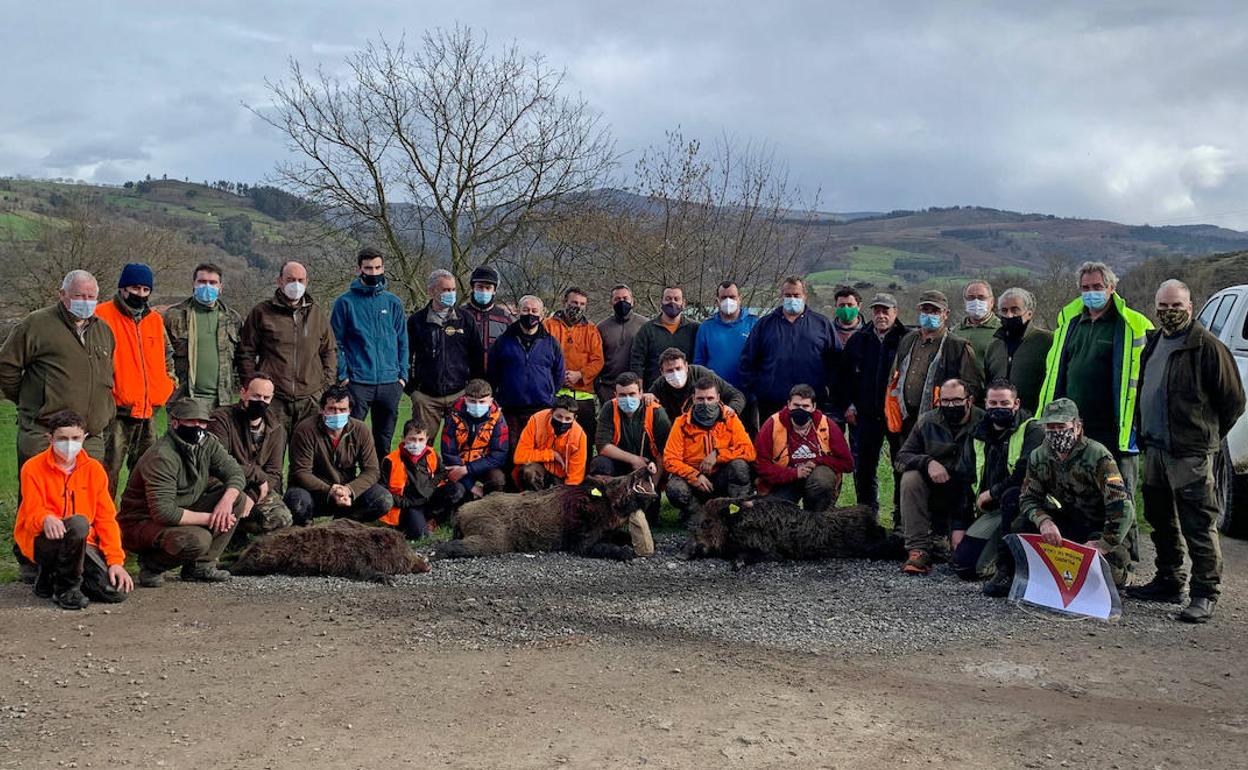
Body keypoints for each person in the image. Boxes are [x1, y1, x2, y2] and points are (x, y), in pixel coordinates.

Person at [1128, 279, 1246, 623]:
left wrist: (1207, 435)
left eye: (1176, 306)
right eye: (1163, 306)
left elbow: (1234, 401)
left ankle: (1205, 592)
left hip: (1190, 452)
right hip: (1155, 448)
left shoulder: (1207, 347)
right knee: (1159, 517)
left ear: (1190, 307)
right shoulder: (1154, 343)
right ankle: (1169, 579)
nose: (1168, 312)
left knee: (1198, 522)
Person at [1038, 261, 1152, 502]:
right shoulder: (1068, 324)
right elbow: (1055, 374)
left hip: (1115, 430)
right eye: (1085, 287)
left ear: (1111, 287)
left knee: (1118, 499)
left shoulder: (1133, 325)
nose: (1091, 292)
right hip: (1073, 429)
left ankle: (1123, 541)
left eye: (1097, 286)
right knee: (1078, 497)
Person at [117, 398, 246, 587]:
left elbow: (235, 472)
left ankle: (201, 566)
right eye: (191, 421)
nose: (198, 427)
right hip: (143, 521)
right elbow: (163, 512)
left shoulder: (208, 444)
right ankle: (152, 565)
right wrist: (213, 518)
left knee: (238, 499)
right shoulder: (162, 457)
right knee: (198, 540)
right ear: (175, 422)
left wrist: (226, 501)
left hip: (182, 507)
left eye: (202, 422)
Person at [14, 410, 132, 609]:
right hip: (44, 539)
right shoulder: (32, 468)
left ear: (84, 437)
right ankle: (66, 589)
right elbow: (31, 511)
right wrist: (45, 518)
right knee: (78, 523)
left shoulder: (94, 470)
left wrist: (115, 561)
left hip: (83, 542)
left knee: (115, 592)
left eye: (75, 438)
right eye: (62, 438)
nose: (69, 444)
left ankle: (49, 579)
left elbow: (106, 519)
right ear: (50, 438)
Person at [0, 269, 115, 472]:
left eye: (91, 297)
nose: (86, 301)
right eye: (79, 296)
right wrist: (30, 399)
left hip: (90, 436)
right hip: (45, 433)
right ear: (62, 294)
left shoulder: (103, 330)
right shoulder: (36, 324)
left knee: (84, 498)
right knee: (40, 495)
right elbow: (7, 365)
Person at [1018, 398, 1137, 588]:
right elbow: (1028, 498)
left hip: (1103, 527)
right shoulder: (1038, 456)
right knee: (1021, 523)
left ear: (1077, 426)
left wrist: (1103, 544)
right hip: (1072, 521)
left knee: (1105, 578)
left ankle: (1125, 573)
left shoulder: (1098, 455)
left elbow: (1122, 507)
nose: (1056, 432)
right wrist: (1044, 521)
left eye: (1061, 425)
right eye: (1050, 426)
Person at [953, 379, 1045, 595]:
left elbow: (1024, 473)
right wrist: (958, 526)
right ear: (985, 404)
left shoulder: (1032, 430)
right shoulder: (977, 433)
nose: (998, 408)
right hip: (991, 511)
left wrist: (992, 492)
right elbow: (963, 480)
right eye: (993, 404)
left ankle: (1008, 568)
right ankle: (994, 559)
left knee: (1011, 495)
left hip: (1025, 505)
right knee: (964, 567)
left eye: (1004, 403)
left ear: (1016, 404)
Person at [94, 262, 177, 496]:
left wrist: (168, 383)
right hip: (115, 413)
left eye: (145, 289)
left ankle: (134, 522)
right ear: (122, 288)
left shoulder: (155, 320)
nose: (140, 294)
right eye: (135, 288)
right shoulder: (101, 315)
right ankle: (105, 525)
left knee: (146, 472)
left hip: (149, 411)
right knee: (107, 472)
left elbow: (167, 354)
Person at [236, 261, 338, 442]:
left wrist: (325, 387)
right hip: (274, 401)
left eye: (300, 280)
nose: (295, 284)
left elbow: (329, 351)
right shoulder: (262, 312)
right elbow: (246, 352)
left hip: (310, 400)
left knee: (307, 458)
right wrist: (253, 387)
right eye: (290, 279)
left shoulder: (317, 314)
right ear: (279, 281)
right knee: (268, 455)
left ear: (307, 282)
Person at [895, 378, 982, 575]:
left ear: (970, 400)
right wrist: (927, 462)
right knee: (910, 478)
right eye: (946, 401)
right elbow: (901, 458)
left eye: (957, 400)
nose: (951, 406)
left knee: (966, 562)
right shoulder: (926, 421)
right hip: (937, 486)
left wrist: (960, 525)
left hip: (970, 491)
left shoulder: (983, 423)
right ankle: (918, 549)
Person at [332, 246, 409, 459]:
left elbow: (403, 341)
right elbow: (335, 343)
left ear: (383, 268)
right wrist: (344, 376)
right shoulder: (344, 303)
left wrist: (402, 376)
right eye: (368, 268)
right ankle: (349, 485)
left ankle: (381, 486)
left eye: (377, 267)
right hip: (358, 382)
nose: (373, 272)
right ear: (359, 269)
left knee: (384, 441)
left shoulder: (393, 303)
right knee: (351, 438)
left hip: (390, 383)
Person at [837, 293, 908, 520]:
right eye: (876, 311)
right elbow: (844, 377)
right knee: (864, 470)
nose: (880, 315)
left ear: (895, 312)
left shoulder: (906, 339)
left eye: (885, 310)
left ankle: (901, 518)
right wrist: (848, 405)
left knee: (901, 468)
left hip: (897, 417)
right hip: (865, 416)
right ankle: (867, 517)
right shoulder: (859, 339)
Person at [284, 385, 393, 526]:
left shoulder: (361, 430)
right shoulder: (305, 430)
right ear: (322, 409)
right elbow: (301, 472)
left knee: (383, 499)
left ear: (350, 411)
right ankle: (306, 528)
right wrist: (330, 490)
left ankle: (345, 522)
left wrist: (349, 490)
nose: (337, 414)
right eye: (332, 409)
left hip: (346, 491)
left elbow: (372, 470)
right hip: (314, 491)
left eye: (342, 410)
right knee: (297, 501)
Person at [886, 289, 982, 449]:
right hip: (905, 420)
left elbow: (972, 388)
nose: (929, 314)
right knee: (903, 466)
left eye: (936, 311)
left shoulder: (957, 346)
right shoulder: (908, 340)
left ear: (946, 314)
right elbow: (895, 376)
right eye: (925, 310)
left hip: (941, 423)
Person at [739, 276, 837, 421]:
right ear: (781, 296)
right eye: (788, 295)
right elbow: (747, 360)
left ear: (805, 296)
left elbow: (835, 361)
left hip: (811, 403)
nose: (792, 299)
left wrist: (829, 391)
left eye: (796, 295)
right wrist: (758, 390)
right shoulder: (764, 325)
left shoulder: (821, 324)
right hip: (772, 404)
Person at [207, 375, 292, 539]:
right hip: (223, 484)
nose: (261, 401)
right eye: (256, 396)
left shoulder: (276, 427)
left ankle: (241, 533)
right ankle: (223, 534)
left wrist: (252, 496)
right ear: (243, 393)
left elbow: (274, 471)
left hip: (256, 489)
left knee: (282, 518)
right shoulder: (221, 419)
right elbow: (218, 463)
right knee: (226, 503)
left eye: (266, 398)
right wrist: (257, 475)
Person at [407, 269, 484, 444]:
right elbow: (406, 356)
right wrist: (412, 391)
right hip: (426, 397)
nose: (451, 294)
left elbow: (477, 356)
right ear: (431, 291)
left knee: (462, 444)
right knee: (422, 446)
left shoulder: (466, 319)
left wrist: (472, 388)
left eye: (453, 290)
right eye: (445, 290)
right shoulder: (417, 321)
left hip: (459, 394)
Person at [663, 378, 756, 522]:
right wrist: (695, 476)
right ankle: (697, 516)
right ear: (693, 398)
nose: (705, 403)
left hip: (722, 479)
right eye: (700, 399)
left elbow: (748, 450)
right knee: (675, 488)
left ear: (718, 398)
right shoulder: (681, 423)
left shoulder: (730, 419)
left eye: (710, 398)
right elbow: (670, 460)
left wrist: (718, 454)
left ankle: (735, 513)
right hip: (695, 482)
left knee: (740, 467)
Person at [754, 384, 854, 512]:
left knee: (822, 482)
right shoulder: (773, 424)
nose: (800, 410)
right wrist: (794, 473)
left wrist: (817, 461)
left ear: (814, 407)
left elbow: (847, 464)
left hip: (816, 479)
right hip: (783, 480)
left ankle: (817, 519)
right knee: (776, 514)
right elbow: (760, 465)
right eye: (796, 405)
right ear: (788, 404)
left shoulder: (827, 425)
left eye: (805, 406)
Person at [487, 294, 565, 452]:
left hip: (541, 408)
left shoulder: (551, 343)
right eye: (526, 310)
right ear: (517, 312)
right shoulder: (503, 341)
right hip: (510, 409)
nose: (530, 314)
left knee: (536, 451)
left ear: (542, 315)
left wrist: (549, 394)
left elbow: (559, 373)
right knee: (510, 451)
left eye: (535, 310)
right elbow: (492, 373)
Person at [164, 262, 243, 408]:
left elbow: (242, 358)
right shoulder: (173, 316)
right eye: (202, 281)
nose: (207, 286)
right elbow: (162, 356)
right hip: (184, 400)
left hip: (221, 402)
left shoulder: (233, 319)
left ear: (220, 288)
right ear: (193, 284)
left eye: (212, 282)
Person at [379, 419, 466, 539]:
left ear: (427, 439)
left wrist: (430, 486)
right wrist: (406, 502)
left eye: (421, 440)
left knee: (457, 490)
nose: (416, 444)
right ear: (403, 438)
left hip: (429, 497)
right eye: (412, 439)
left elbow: (441, 471)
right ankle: (417, 522)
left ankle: (433, 518)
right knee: (419, 535)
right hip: (408, 504)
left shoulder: (431, 453)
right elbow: (384, 490)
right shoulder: (390, 460)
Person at [545, 286, 604, 441]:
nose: (578, 306)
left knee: (586, 437)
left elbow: (598, 360)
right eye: (574, 302)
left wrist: (580, 375)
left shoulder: (591, 330)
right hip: (556, 393)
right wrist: (558, 375)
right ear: (564, 302)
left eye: (582, 304)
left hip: (583, 395)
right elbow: (542, 357)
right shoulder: (548, 326)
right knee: (553, 436)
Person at [589, 371, 672, 479]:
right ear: (615, 395)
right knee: (600, 463)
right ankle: (606, 493)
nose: (627, 399)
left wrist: (653, 488)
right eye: (622, 395)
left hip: (649, 465)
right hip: (620, 462)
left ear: (641, 393)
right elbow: (603, 446)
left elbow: (664, 452)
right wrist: (634, 459)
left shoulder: (656, 411)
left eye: (632, 394)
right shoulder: (609, 408)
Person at [983, 287, 1053, 413]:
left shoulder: (1047, 341)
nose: (1009, 315)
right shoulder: (994, 346)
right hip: (999, 419)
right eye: (1004, 311)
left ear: (1029, 313)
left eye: (1015, 310)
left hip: (1035, 417)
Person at [440, 379, 510, 499]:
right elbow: (448, 453)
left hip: (484, 465)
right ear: (465, 399)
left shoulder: (498, 418)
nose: (477, 406)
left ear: (490, 401)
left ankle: (489, 506)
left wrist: (467, 469)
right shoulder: (453, 416)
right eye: (472, 401)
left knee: (497, 480)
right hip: (457, 466)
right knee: (457, 492)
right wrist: (470, 486)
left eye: (482, 402)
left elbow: (499, 455)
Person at [692, 280, 757, 401]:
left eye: (732, 297)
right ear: (717, 301)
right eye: (724, 297)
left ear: (739, 299)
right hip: (716, 396)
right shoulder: (706, 327)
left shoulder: (754, 323)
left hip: (748, 395)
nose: (728, 301)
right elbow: (699, 362)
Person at [512, 394, 589, 490]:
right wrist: (552, 454)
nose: (563, 421)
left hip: (561, 477)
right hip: (538, 469)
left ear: (575, 418)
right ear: (551, 412)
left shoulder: (580, 436)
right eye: (559, 416)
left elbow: (575, 477)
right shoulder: (536, 420)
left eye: (568, 419)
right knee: (528, 472)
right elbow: (519, 456)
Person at [629, 285, 700, 387]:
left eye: (676, 299)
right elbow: (637, 361)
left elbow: (701, 360)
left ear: (683, 303)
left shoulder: (695, 329)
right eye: (668, 299)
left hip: (688, 390)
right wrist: (638, 387)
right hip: (655, 391)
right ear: (661, 302)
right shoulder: (647, 329)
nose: (672, 302)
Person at [650, 347, 746, 421]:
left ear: (686, 366)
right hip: (677, 431)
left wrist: (731, 409)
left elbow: (737, 395)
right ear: (662, 372)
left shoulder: (702, 374)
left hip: (710, 426)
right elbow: (647, 405)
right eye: (670, 371)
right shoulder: (659, 385)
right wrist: (647, 397)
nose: (675, 374)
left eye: (678, 368)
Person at [597, 284, 648, 404]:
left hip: (637, 389)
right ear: (611, 302)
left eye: (625, 298)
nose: (621, 302)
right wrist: (599, 389)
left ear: (632, 301)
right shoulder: (601, 327)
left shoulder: (645, 325)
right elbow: (596, 358)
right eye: (617, 299)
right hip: (609, 389)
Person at [461, 264, 513, 371]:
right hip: (463, 380)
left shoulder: (505, 319)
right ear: (473, 288)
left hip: (495, 381)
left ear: (494, 291)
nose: (484, 291)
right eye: (480, 287)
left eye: (488, 288)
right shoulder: (459, 315)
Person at [955, 280, 1001, 365]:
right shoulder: (954, 331)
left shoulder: (1002, 330)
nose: (976, 302)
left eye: (981, 297)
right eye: (971, 298)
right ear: (965, 302)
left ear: (992, 302)